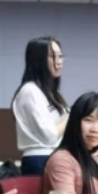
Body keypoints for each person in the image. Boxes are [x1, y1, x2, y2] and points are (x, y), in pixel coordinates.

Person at [13, 36, 68, 175]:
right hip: (39, 158)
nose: (59, 61)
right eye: (53, 56)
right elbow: (49, 136)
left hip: (54, 156)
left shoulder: (51, 93)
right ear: (38, 60)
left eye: (60, 56)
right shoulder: (30, 91)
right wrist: (70, 116)